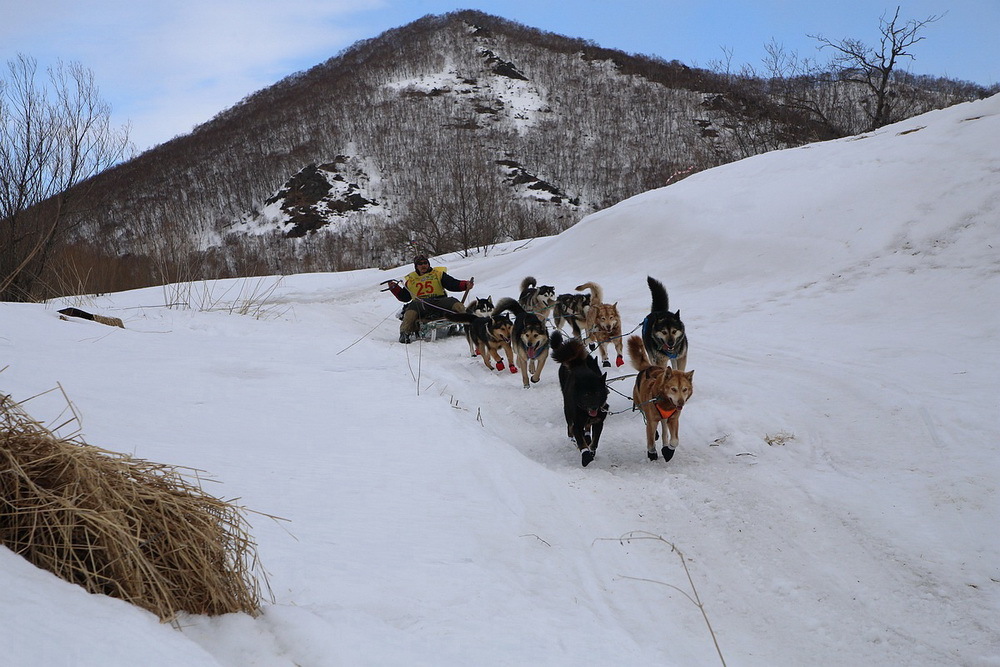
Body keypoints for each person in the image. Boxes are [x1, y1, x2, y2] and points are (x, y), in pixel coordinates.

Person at [386, 255, 474, 343]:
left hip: (439, 301)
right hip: (421, 303)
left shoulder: (438, 274)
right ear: (416, 266)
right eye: (420, 264)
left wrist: (465, 284)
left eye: (425, 263)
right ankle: (404, 333)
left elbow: (452, 283)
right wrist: (394, 288)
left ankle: (471, 324)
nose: (423, 265)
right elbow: (405, 297)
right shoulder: (411, 279)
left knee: (454, 302)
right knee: (411, 308)